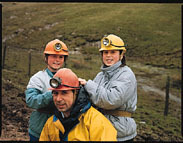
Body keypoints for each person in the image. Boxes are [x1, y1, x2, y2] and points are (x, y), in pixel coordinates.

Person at [79, 34, 137, 142]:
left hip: (119, 134)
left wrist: (88, 85)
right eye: (105, 52)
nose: (108, 56)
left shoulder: (126, 75)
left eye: (113, 52)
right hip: (100, 130)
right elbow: (91, 97)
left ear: (121, 54)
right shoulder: (100, 75)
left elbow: (111, 100)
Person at [39, 68, 117, 141]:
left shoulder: (97, 123)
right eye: (55, 93)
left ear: (76, 92)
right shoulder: (51, 123)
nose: (58, 99)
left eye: (64, 93)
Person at [25, 39, 69, 141]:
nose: (57, 60)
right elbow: (31, 101)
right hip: (40, 129)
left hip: (62, 129)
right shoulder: (38, 78)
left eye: (61, 57)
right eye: (53, 56)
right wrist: (53, 94)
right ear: (46, 58)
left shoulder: (69, 77)